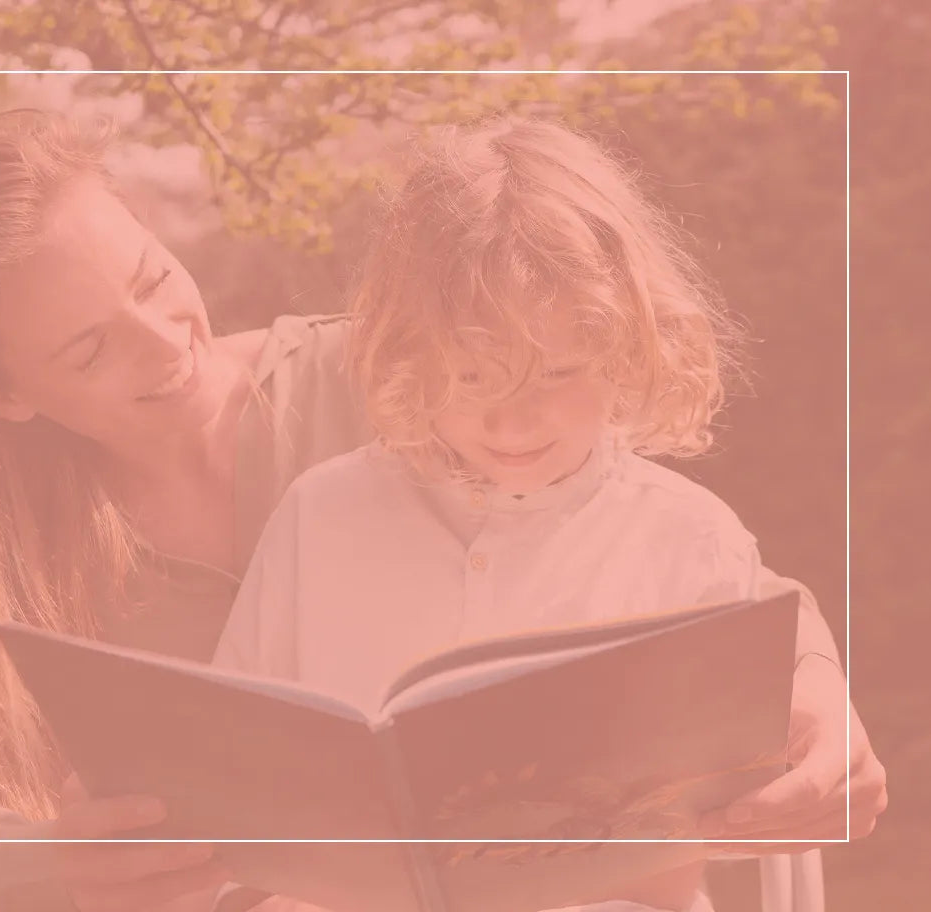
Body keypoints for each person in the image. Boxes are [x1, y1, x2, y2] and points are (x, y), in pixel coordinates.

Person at [0, 108, 884, 912]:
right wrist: (40, 864)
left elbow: (684, 567)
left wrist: (815, 690)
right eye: (88, 347)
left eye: (150, 275)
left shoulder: (403, 366)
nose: (162, 344)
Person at [213, 116, 887, 912]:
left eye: (555, 373)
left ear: (626, 341)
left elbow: (750, 806)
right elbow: (235, 794)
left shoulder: (688, 538)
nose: (512, 424)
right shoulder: (320, 517)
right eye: (469, 379)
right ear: (412, 352)